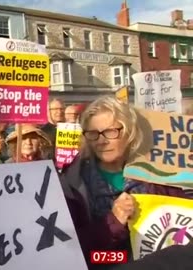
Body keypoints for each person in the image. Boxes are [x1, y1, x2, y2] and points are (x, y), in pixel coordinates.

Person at [60, 96, 187, 270]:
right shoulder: (73, 183)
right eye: (93, 134)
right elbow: (70, 247)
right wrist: (113, 222)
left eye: (111, 132)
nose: (101, 141)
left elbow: (183, 215)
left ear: (129, 132)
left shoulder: (154, 171)